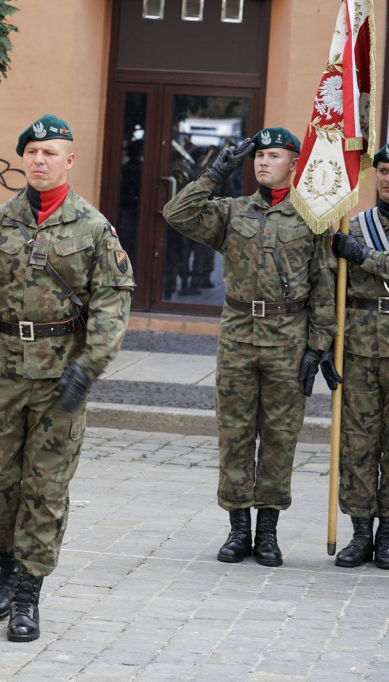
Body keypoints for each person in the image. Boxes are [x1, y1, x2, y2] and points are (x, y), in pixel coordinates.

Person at [0, 114, 134, 642]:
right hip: (4, 369)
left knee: (46, 487)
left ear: (69, 161)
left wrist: (89, 366)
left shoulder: (93, 228)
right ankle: (6, 561)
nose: (40, 161)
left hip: (61, 376)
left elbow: (112, 304)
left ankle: (27, 592)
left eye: (51, 153)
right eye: (32, 153)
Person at [163, 127, 337, 567]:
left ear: (294, 163)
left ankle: (267, 531)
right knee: (235, 433)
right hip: (239, 334)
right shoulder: (233, 211)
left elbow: (323, 284)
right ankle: (238, 529)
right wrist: (214, 173)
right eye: (258, 156)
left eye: (274, 156)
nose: (263, 162)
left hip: (288, 339)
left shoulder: (312, 217)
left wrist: (319, 345)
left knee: (279, 436)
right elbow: (175, 214)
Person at [328, 142, 389, 569]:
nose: (387, 179)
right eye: (382, 170)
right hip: (360, 348)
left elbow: (366, 262)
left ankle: (388, 533)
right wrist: (326, 343)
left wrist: (364, 256)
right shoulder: (357, 223)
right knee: (357, 443)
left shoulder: (360, 242)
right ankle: (360, 533)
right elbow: (333, 292)